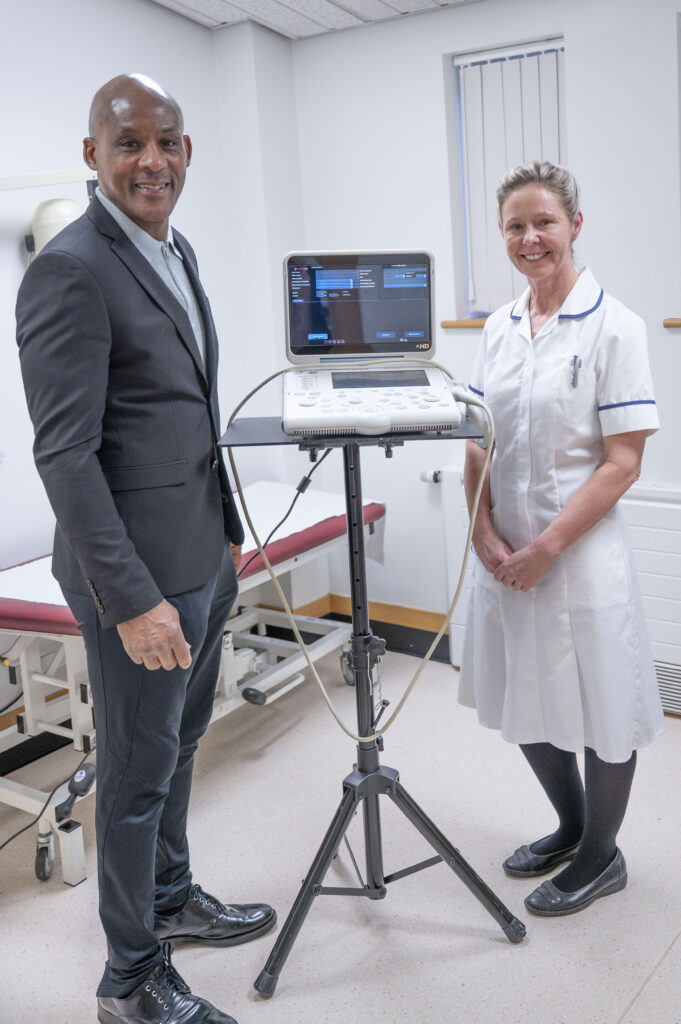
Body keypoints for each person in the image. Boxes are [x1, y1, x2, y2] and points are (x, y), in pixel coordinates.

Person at [16, 74, 276, 1024]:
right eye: (128, 144)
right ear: (93, 156)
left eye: (166, 142)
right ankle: (128, 981)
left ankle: (172, 901)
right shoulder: (71, 267)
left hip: (198, 554)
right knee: (132, 775)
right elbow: (65, 454)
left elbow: (180, 411)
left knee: (179, 745)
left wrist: (222, 544)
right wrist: (130, 598)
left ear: (187, 149)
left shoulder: (175, 249)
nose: (150, 162)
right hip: (133, 580)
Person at [459, 160, 664, 918]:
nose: (529, 237)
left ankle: (600, 856)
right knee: (524, 693)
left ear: (574, 224)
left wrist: (547, 545)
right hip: (505, 556)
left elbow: (623, 462)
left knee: (603, 706)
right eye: (514, 225)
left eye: (542, 221)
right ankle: (572, 827)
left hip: (575, 559)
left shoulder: (616, 326)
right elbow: (478, 436)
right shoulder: (499, 326)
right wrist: (477, 524)